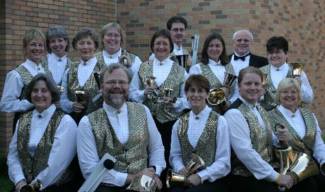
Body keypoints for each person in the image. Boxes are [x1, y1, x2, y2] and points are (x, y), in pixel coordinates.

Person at [77, 64, 166, 191]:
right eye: (111, 82)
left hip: (143, 187)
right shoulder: (87, 123)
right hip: (106, 187)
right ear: (101, 87)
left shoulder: (143, 111)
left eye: (122, 82)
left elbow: (157, 147)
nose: (117, 86)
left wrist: (155, 172)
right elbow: (89, 170)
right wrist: (132, 177)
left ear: (129, 86)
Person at [224, 67, 294, 192]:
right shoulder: (234, 113)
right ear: (239, 86)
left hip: (267, 170)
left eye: (257, 84)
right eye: (248, 83)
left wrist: (281, 140)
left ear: (262, 87)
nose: (253, 87)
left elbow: (270, 140)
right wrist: (276, 177)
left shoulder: (259, 108)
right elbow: (245, 153)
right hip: (245, 177)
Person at [7, 74, 77, 192]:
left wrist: (33, 187)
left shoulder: (66, 122)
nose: (39, 94)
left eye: (44, 90)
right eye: (35, 90)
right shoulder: (22, 120)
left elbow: (57, 165)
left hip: (53, 187)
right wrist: (19, 181)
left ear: (52, 94)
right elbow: (13, 155)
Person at [129, 29, 188, 168]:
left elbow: (187, 99)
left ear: (170, 47)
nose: (161, 47)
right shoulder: (143, 67)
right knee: (147, 155)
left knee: (169, 155)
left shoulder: (180, 70)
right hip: (146, 120)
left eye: (165, 44)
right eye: (158, 43)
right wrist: (144, 93)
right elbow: (131, 92)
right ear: (152, 46)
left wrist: (174, 102)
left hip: (170, 123)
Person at [169, 74, 230, 192]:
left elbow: (224, 161)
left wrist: (201, 176)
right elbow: (175, 155)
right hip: (185, 180)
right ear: (186, 94)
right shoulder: (179, 123)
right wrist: (181, 169)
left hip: (212, 181)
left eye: (200, 91)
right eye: (192, 90)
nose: (196, 95)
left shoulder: (220, 121)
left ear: (207, 94)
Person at [269, 78, 325, 192]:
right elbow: (271, 147)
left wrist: (324, 161)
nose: (289, 95)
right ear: (279, 95)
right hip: (287, 171)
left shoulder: (309, 115)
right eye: (285, 92)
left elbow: (318, 144)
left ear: (299, 95)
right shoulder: (269, 116)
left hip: (312, 167)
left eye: (293, 92)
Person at [0, 28, 49, 113]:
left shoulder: (46, 71)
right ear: (25, 47)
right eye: (33, 44)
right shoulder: (16, 74)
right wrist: (31, 103)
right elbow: (5, 104)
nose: (37, 48)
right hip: (25, 124)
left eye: (40, 45)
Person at [60, 27, 102, 123]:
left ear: (95, 46)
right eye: (81, 43)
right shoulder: (68, 71)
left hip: (98, 122)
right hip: (73, 122)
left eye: (89, 43)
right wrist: (71, 105)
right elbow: (62, 98)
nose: (85, 47)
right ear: (76, 46)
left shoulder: (103, 69)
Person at [260, 36, 314, 110]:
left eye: (277, 52)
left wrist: (300, 87)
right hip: (270, 119)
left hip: (293, 116)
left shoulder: (296, 69)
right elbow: (258, 100)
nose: (274, 55)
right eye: (271, 53)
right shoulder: (261, 72)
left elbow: (309, 98)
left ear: (286, 54)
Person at [189, 32, 236, 113]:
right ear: (206, 48)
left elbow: (235, 91)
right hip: (206, 113)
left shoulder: (229, 67)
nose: (214, 49)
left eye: (217, 46)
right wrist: (224, 91)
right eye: (211, 46)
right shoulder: (197, 68)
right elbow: (196, 94)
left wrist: (229, 104)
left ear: (222, 48)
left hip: (229, 112)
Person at [228, 29, 268, 103]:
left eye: (246, 40)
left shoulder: (262, 62)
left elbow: (264, 85)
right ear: (234, 42)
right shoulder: (224, 60)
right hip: (226, 105)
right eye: (239, 40)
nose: (242, 42)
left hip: (251, 104)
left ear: (251, 43)